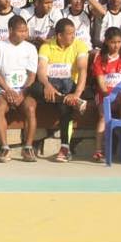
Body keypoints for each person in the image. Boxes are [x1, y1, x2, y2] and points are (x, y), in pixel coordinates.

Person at [37, 18, 91, 163]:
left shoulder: (80, 45)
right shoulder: (47, 46)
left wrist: (76, 94)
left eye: (74, 33)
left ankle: (64, 148)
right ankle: (68, 100)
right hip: (52, 86)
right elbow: (41, 71)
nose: (73, 36)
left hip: (70, 86)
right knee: (35, 88)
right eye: (70, 34)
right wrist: (47, 85)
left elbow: (82, 69)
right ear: (59, 35)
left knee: (65, 106)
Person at [0, 16, 39, 163]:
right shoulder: (0, 46)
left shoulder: (30, 48)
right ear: (10, 30)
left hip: (24, 90)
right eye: (20, 31)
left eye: (25, 31)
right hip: (4, 90)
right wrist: (7, 90)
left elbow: (32, 75)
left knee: (30, 108)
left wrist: (23, 93)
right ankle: (4, 147)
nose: (24, 34)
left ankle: (28, 147)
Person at [89, 27, 121, 163]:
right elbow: (100, 82)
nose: (116, 46)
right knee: (103, 116)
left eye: (118, 42)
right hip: (104, 95)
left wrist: (120, 96)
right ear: (106, 42)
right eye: (112, 42)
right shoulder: (100, 57)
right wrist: (109, 97)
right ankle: (98, 150)